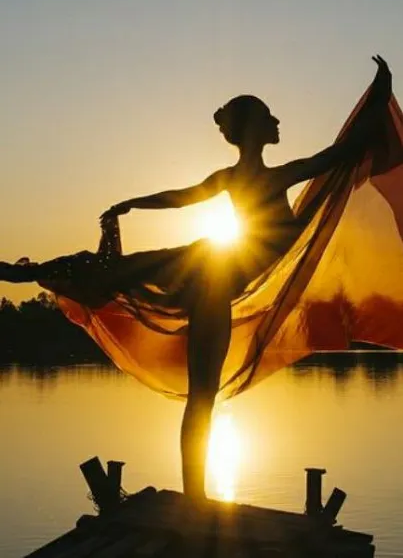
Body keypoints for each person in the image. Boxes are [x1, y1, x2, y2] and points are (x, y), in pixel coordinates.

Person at [0, 56, 392, 499]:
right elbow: (336, 156)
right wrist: (381, 93)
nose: (278, 121)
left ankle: (197, 498)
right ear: (251, 133)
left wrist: (133, 203)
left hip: (212, 275)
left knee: (192, 381)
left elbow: (183, 197)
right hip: (212, 274)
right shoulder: (273, 176)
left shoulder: (238, 178)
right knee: (197, 388)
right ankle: (196, 499)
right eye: (268, 117)